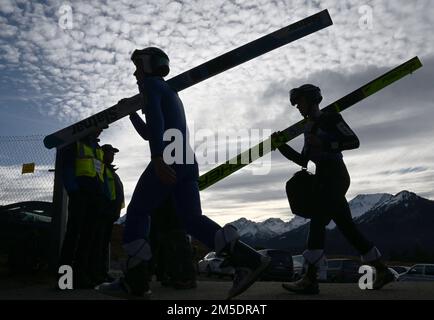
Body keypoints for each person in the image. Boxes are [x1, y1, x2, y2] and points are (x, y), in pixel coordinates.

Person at [97, 47, 270, 299]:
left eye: (137, 67)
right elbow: (150, 130)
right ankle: (248, 259)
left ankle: (134, 282)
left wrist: (157, 157)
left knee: (137, 212)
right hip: (187, 159)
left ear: (148, 66)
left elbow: (155, 121)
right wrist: (132, 113)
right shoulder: (170, 91)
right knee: (191, 219)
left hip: (169, 156)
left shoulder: (151, 86)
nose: (135, 74)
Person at [274, 84, 395, 294]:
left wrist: (324, 143)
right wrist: (281, 146)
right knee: (347, 228)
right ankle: (382, 271)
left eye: (300, 102)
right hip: (322, 176)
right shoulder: (309, 127)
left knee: (318, 220)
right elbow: (303, 160)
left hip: (335, 175)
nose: (298, 107)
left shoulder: (331, 118)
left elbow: (353, 141)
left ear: (311, 100)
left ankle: (310, 279)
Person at [58, 128, 106, 288]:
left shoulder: (97, 147)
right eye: (99, 128)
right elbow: (67, 168)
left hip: (95, 196)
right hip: (80, 194)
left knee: (88, 237)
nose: (100, 131)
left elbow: (100, 171)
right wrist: (74, 191)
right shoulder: (75, 143)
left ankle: (80, 276)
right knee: (73, 234)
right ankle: (64, 280)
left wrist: (101, 195)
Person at [89, 144, 125, 284]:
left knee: (104, 245)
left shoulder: (111, 172)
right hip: (102, 212)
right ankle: (95, 273)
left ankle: (102, 273)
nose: (112, 155)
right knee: (98, 244)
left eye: (113, 153)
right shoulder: (100, 168)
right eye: (110, 152)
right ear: (103, 153)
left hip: (110, 214)